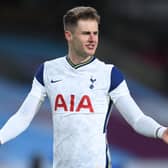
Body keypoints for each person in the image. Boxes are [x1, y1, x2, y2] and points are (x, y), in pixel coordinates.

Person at [0, 6, 168, 168]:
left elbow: (137, 119)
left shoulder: (109, 74)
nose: (92, 39)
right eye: (86, 33)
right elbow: (23, 117)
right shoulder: (47, 71)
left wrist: (160, 131)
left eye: (95, 33)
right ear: (69, 35)